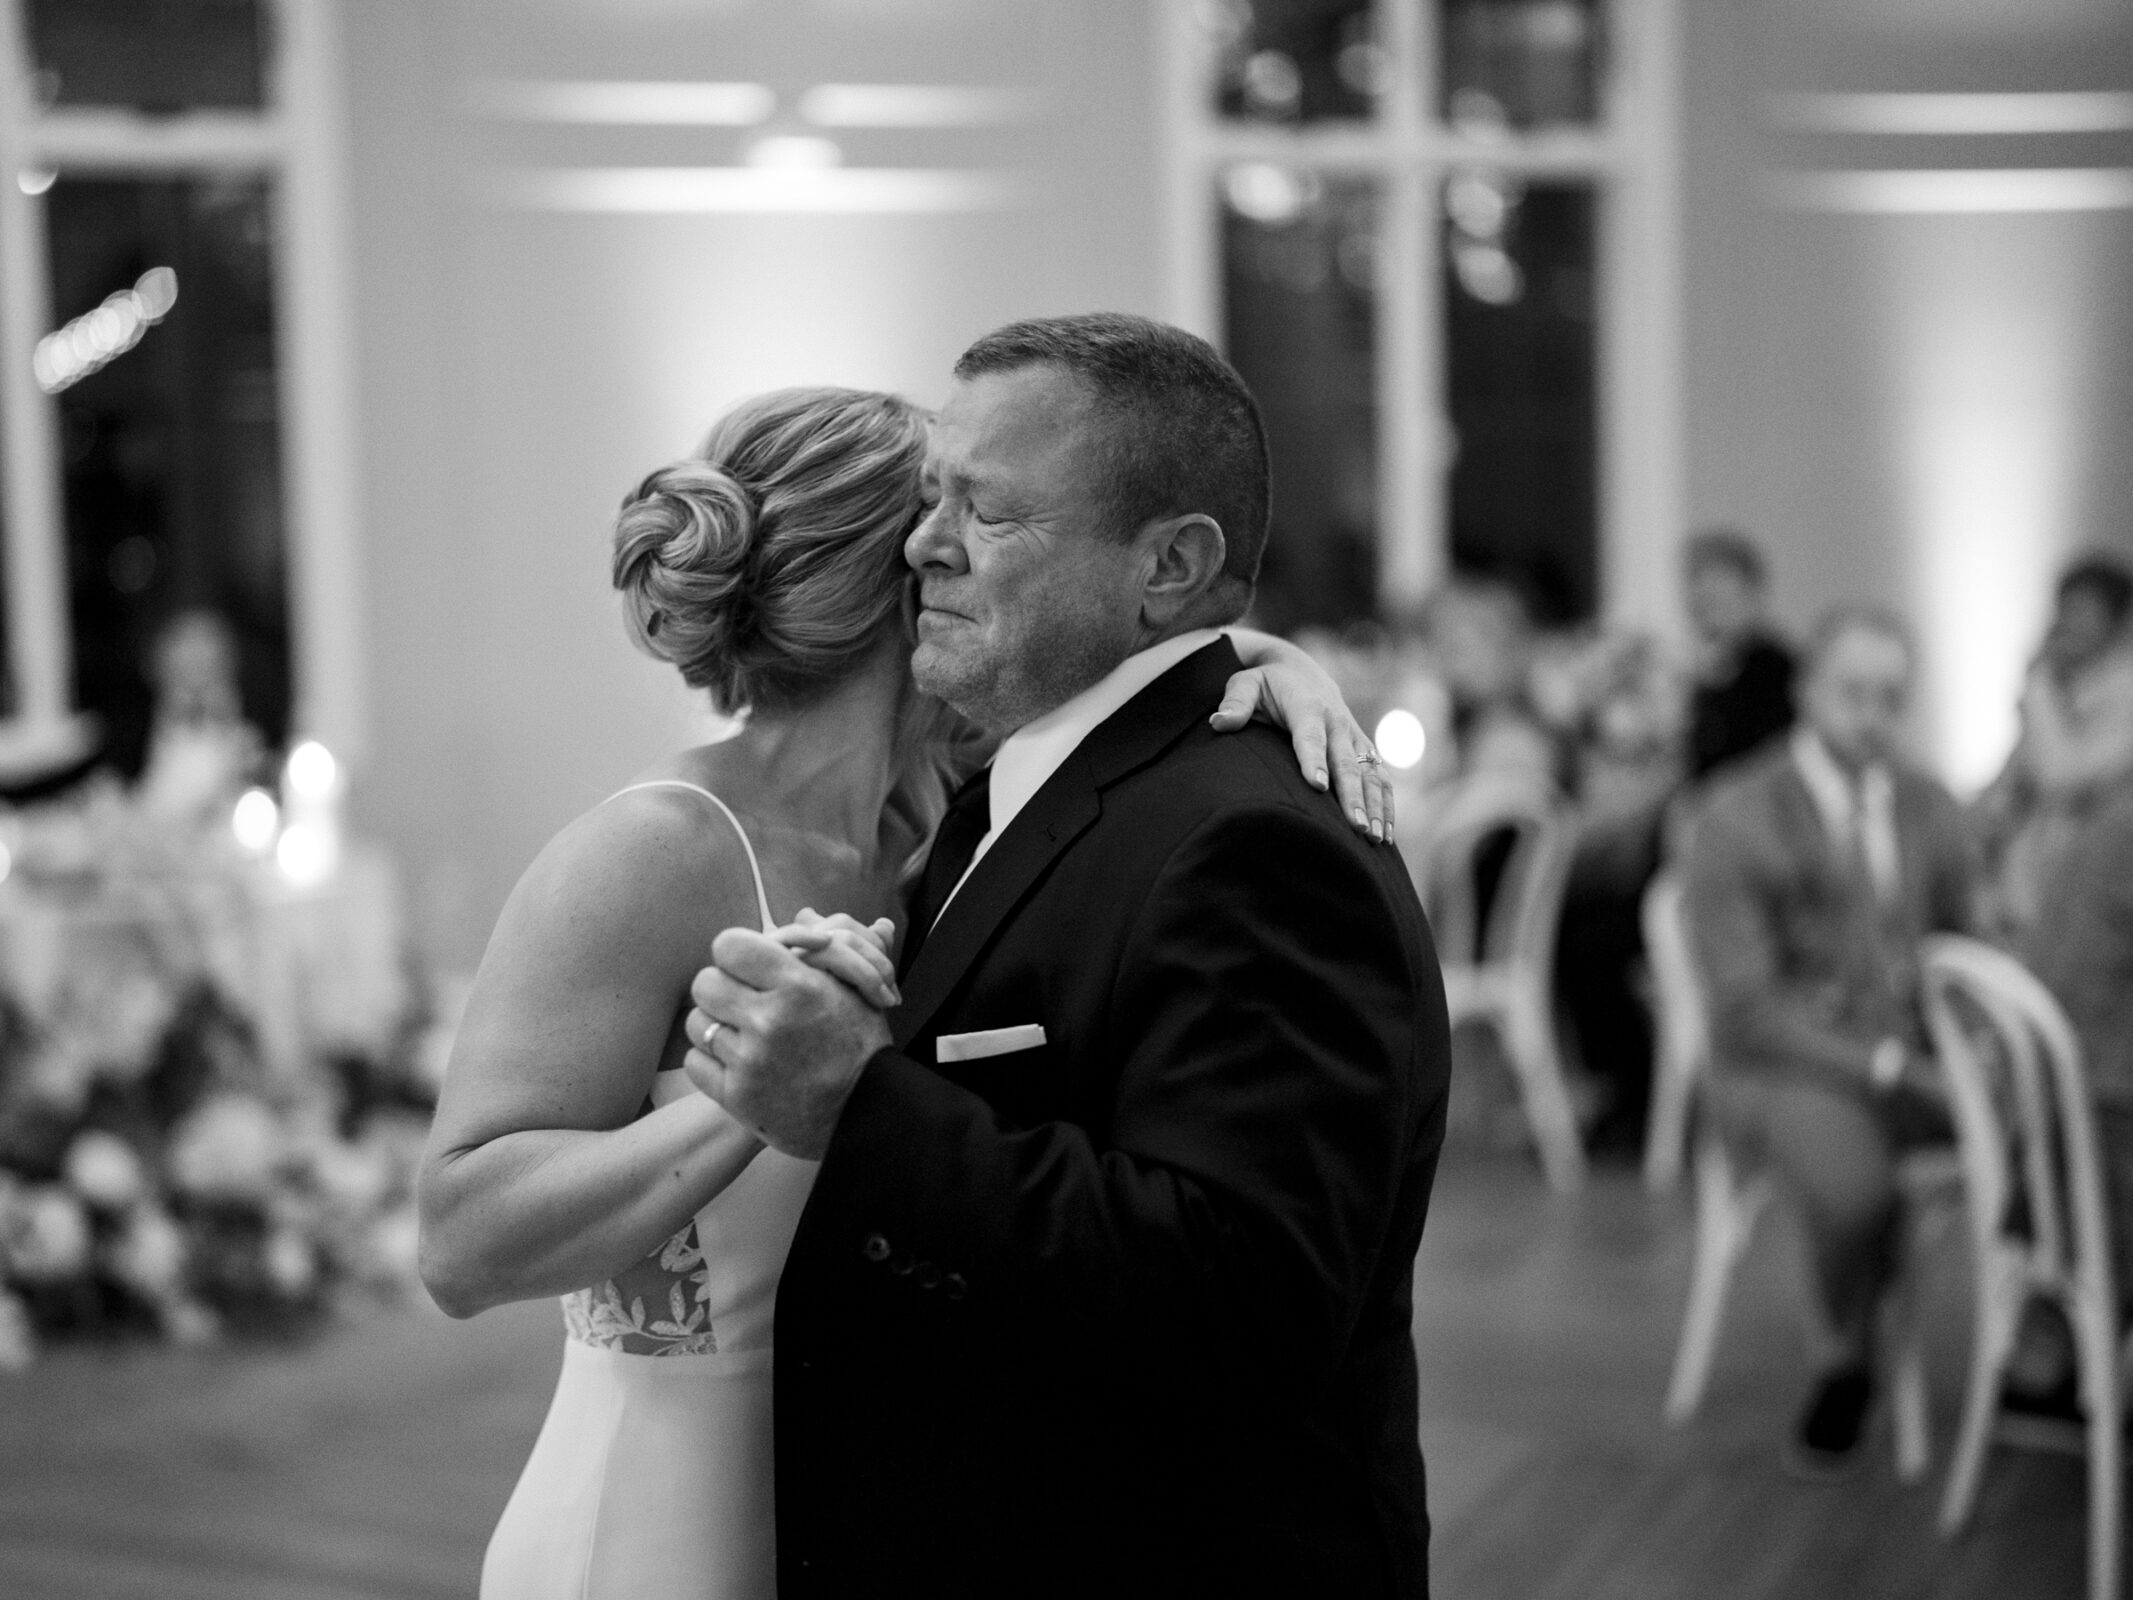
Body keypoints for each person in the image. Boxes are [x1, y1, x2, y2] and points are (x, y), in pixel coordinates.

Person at [413, 384, 1393, 1600]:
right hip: (665, 1527)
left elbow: (1111, 700)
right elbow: (459, 1242)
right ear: (909, 573)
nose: (963, 546)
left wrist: (1257, 659)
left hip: (894, 1520)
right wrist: (751, 1096)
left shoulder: (948, 819)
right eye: (951, 510)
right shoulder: (654, 852)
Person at [684, 316, 1451, 1598]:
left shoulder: (1255, 844)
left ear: (1169, 564)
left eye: (984, 510)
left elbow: (1240, 1298)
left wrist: (859, 1100)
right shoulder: (1010, 780)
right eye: (932, 496)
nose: (921, 545)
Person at [1682, 605, 1972, 1478]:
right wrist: (1890, 1067)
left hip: (1907, 1057)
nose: (1871, 715)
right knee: (1853, 1192)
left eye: (1890, 696)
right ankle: (1842, 1355)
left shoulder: (1927, 803)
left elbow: (1964, 938)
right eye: (1852, 691)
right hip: (1778, 1064)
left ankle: (2046, 1363)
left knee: (2060, 1142)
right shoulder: (1734, 812)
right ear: (1807, 689)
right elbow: (1745, 1010)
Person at [1977, 552, 2133, 936]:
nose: (2066, 624)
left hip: (2089, 911)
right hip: (2022, 906)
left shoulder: (2122, 699)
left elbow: (2059, 778)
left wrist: (2040, 685)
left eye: (2082, 612)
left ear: (2115, 623)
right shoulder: (2061, 697)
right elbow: (2003, 794)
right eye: (2063, 609)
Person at [1683, 527, 1795, 785]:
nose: (1704, 599)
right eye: (1699, 587)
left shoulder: (1774, 669)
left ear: (1751, 593)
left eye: (1719, 593)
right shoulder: (1695, 669)